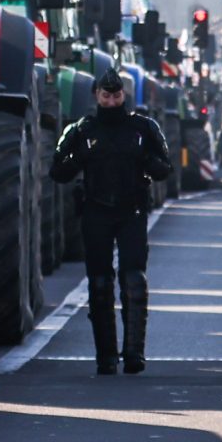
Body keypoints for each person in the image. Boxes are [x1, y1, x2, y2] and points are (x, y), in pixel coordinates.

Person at [51, 71, 172, 373]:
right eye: (106, 96)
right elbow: (57, 171)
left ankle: (134, 354)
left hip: (131, 210)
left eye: (116, 96)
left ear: (123, 96)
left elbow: (165, 168)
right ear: (96, 96)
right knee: (100, 284)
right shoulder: (81, 129)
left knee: (134, 280)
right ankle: (105, 356)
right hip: (96, 211)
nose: (111, 101)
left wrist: (147, 160)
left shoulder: (143, 127)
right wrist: (79, 156)